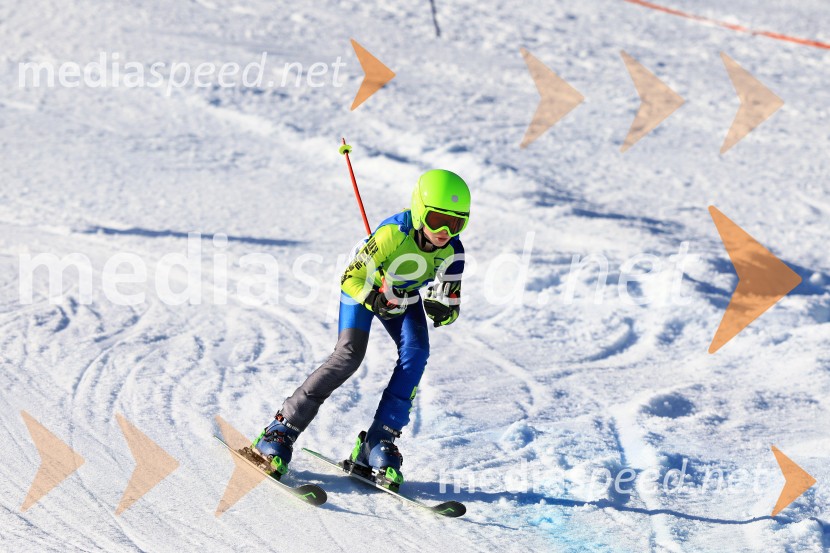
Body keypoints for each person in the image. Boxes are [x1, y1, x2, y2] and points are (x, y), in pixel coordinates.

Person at [251, 169, 470, 489]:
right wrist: (375, 299)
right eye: (437, 219)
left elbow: (449, 301)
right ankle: (281, 429)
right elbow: (350, 279)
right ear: (420, 210)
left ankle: (378, 441)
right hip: (365, 288)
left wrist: (443, 311)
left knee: (417, 352)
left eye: (456, 223)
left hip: (402, 297)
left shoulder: (453, 251)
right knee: (349, 355)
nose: (444, 231)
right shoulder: (392, 235)